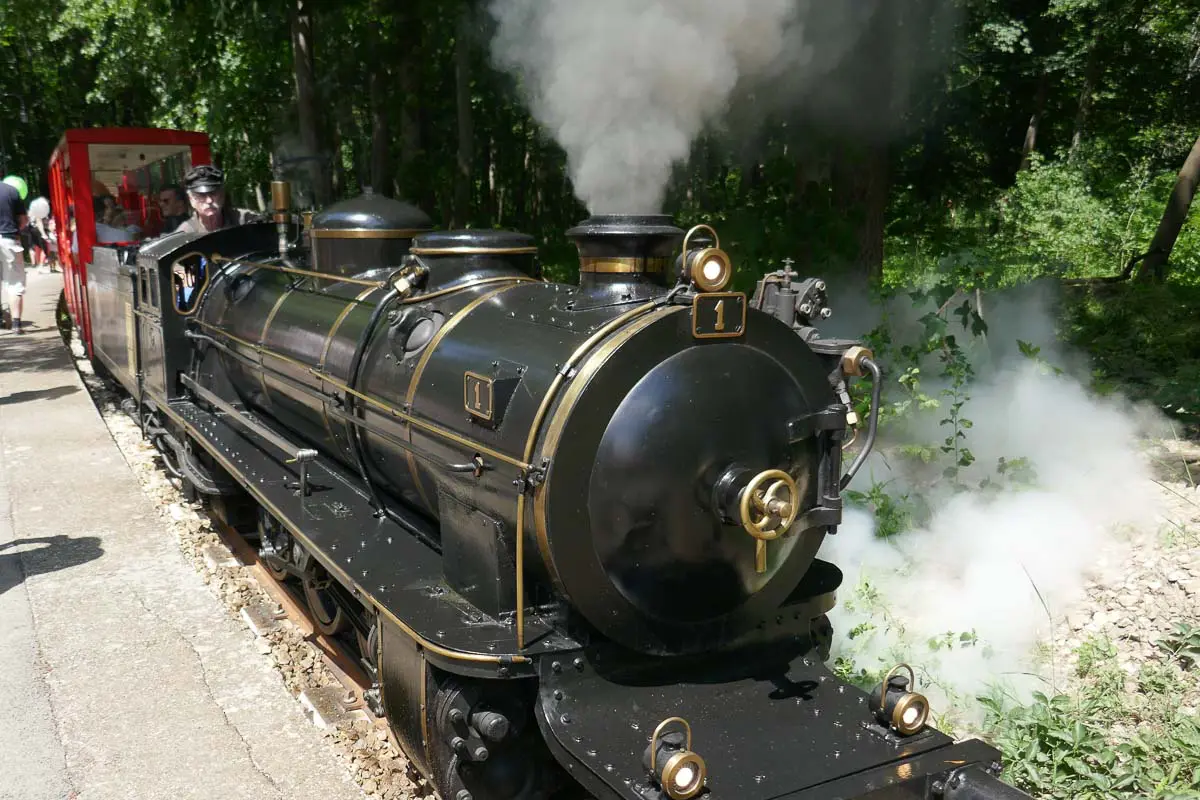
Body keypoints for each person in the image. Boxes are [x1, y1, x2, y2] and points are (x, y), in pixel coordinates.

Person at [174, 165, 261, 234]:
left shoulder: (245, 220)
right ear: (191, 200)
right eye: (201, 196)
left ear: (222, 195)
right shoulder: (185, 233)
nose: (209, 201)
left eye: (213, 193)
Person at [0, 177, 27, 333]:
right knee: (15, 284)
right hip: (9, 240)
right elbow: (22, 221)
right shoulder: (12, 191)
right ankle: (16, 325)